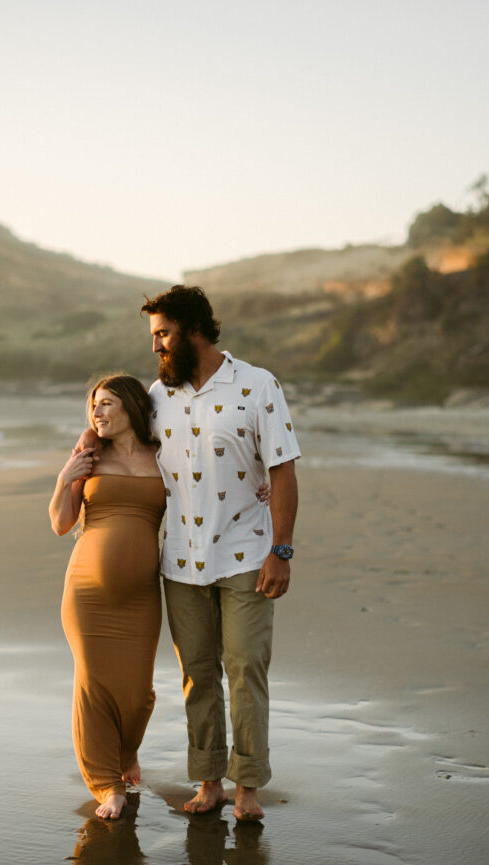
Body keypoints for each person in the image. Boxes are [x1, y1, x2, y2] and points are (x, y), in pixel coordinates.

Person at [142, 285, 300, 821]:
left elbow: (282, 469)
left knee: (246, 666)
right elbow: (124, 446)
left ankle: (248, 787)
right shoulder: (157, 396)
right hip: (179, 561)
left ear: (192, 329)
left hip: (247, 554)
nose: (157, 346)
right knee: (198, 673)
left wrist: (281, 549)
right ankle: (209, 782)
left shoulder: (257, 385)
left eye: (163, 334)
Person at [49, 374, 165, 820]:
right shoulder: (90, 455)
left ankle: (125, 754)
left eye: (107, 404)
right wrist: (66, 478)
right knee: (94, 687)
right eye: (93, 405)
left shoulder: (164, 456)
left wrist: (256, 492)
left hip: (141, 596)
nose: (96, 413)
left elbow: (202, 500)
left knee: (138, 693)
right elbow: (61, 523)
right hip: (86, 593)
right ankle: (107, 785)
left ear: (132, 408)